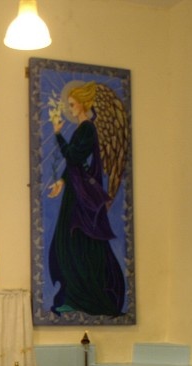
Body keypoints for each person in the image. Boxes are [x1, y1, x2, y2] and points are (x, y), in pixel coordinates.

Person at [47, 81, 126, 317]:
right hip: (75, 192)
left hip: (82, 199)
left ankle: (85, 297)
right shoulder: (82, 129)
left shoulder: (87, 129)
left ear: (82, 103)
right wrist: (61, 181)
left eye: (72, 104)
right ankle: (73, 296)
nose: (70, 109)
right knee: (68, 244)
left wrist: (58, 134)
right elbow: (75, 164)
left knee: (77, 245)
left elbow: (73, 156)